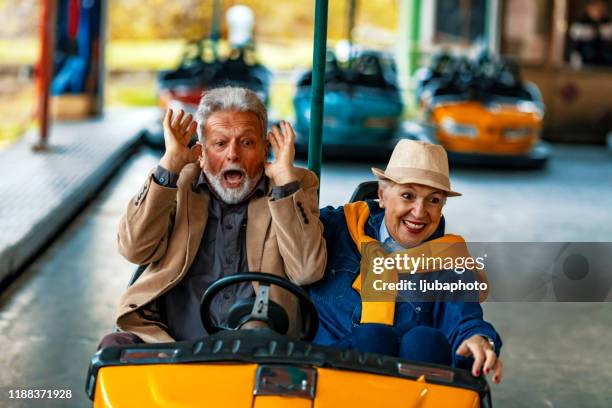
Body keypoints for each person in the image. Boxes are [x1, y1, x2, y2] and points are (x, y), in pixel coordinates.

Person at [98, 86, 326, 347]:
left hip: (255, 344)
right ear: (202, 154)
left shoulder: (293, 185)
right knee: (112, 348)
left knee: (255, 332)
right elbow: (133, 249)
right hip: (169, 343)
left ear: (265, 150)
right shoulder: (177, 181)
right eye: (220, 143)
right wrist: (170, 164)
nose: (233, 154)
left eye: (247, 142)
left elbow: (307, 271)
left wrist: (286, 184)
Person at [308, 139, 503, 384]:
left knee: (424, 339)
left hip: (413, 385)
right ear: (382, 195)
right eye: (408, 195)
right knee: (374, 337)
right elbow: (289, 229)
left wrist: (480, 339)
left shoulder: (450, 259)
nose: (420, 212)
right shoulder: (336, 227)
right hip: (331, 378)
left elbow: (465, 319)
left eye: (433, 200)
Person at [569, 0, 612, 66]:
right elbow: (576, 34)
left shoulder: (607, 22)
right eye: (595, 9)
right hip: (585, 59)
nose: (597, 12)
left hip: (604, 60)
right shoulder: (580, 23)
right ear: (589, 9)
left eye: (600, 9)